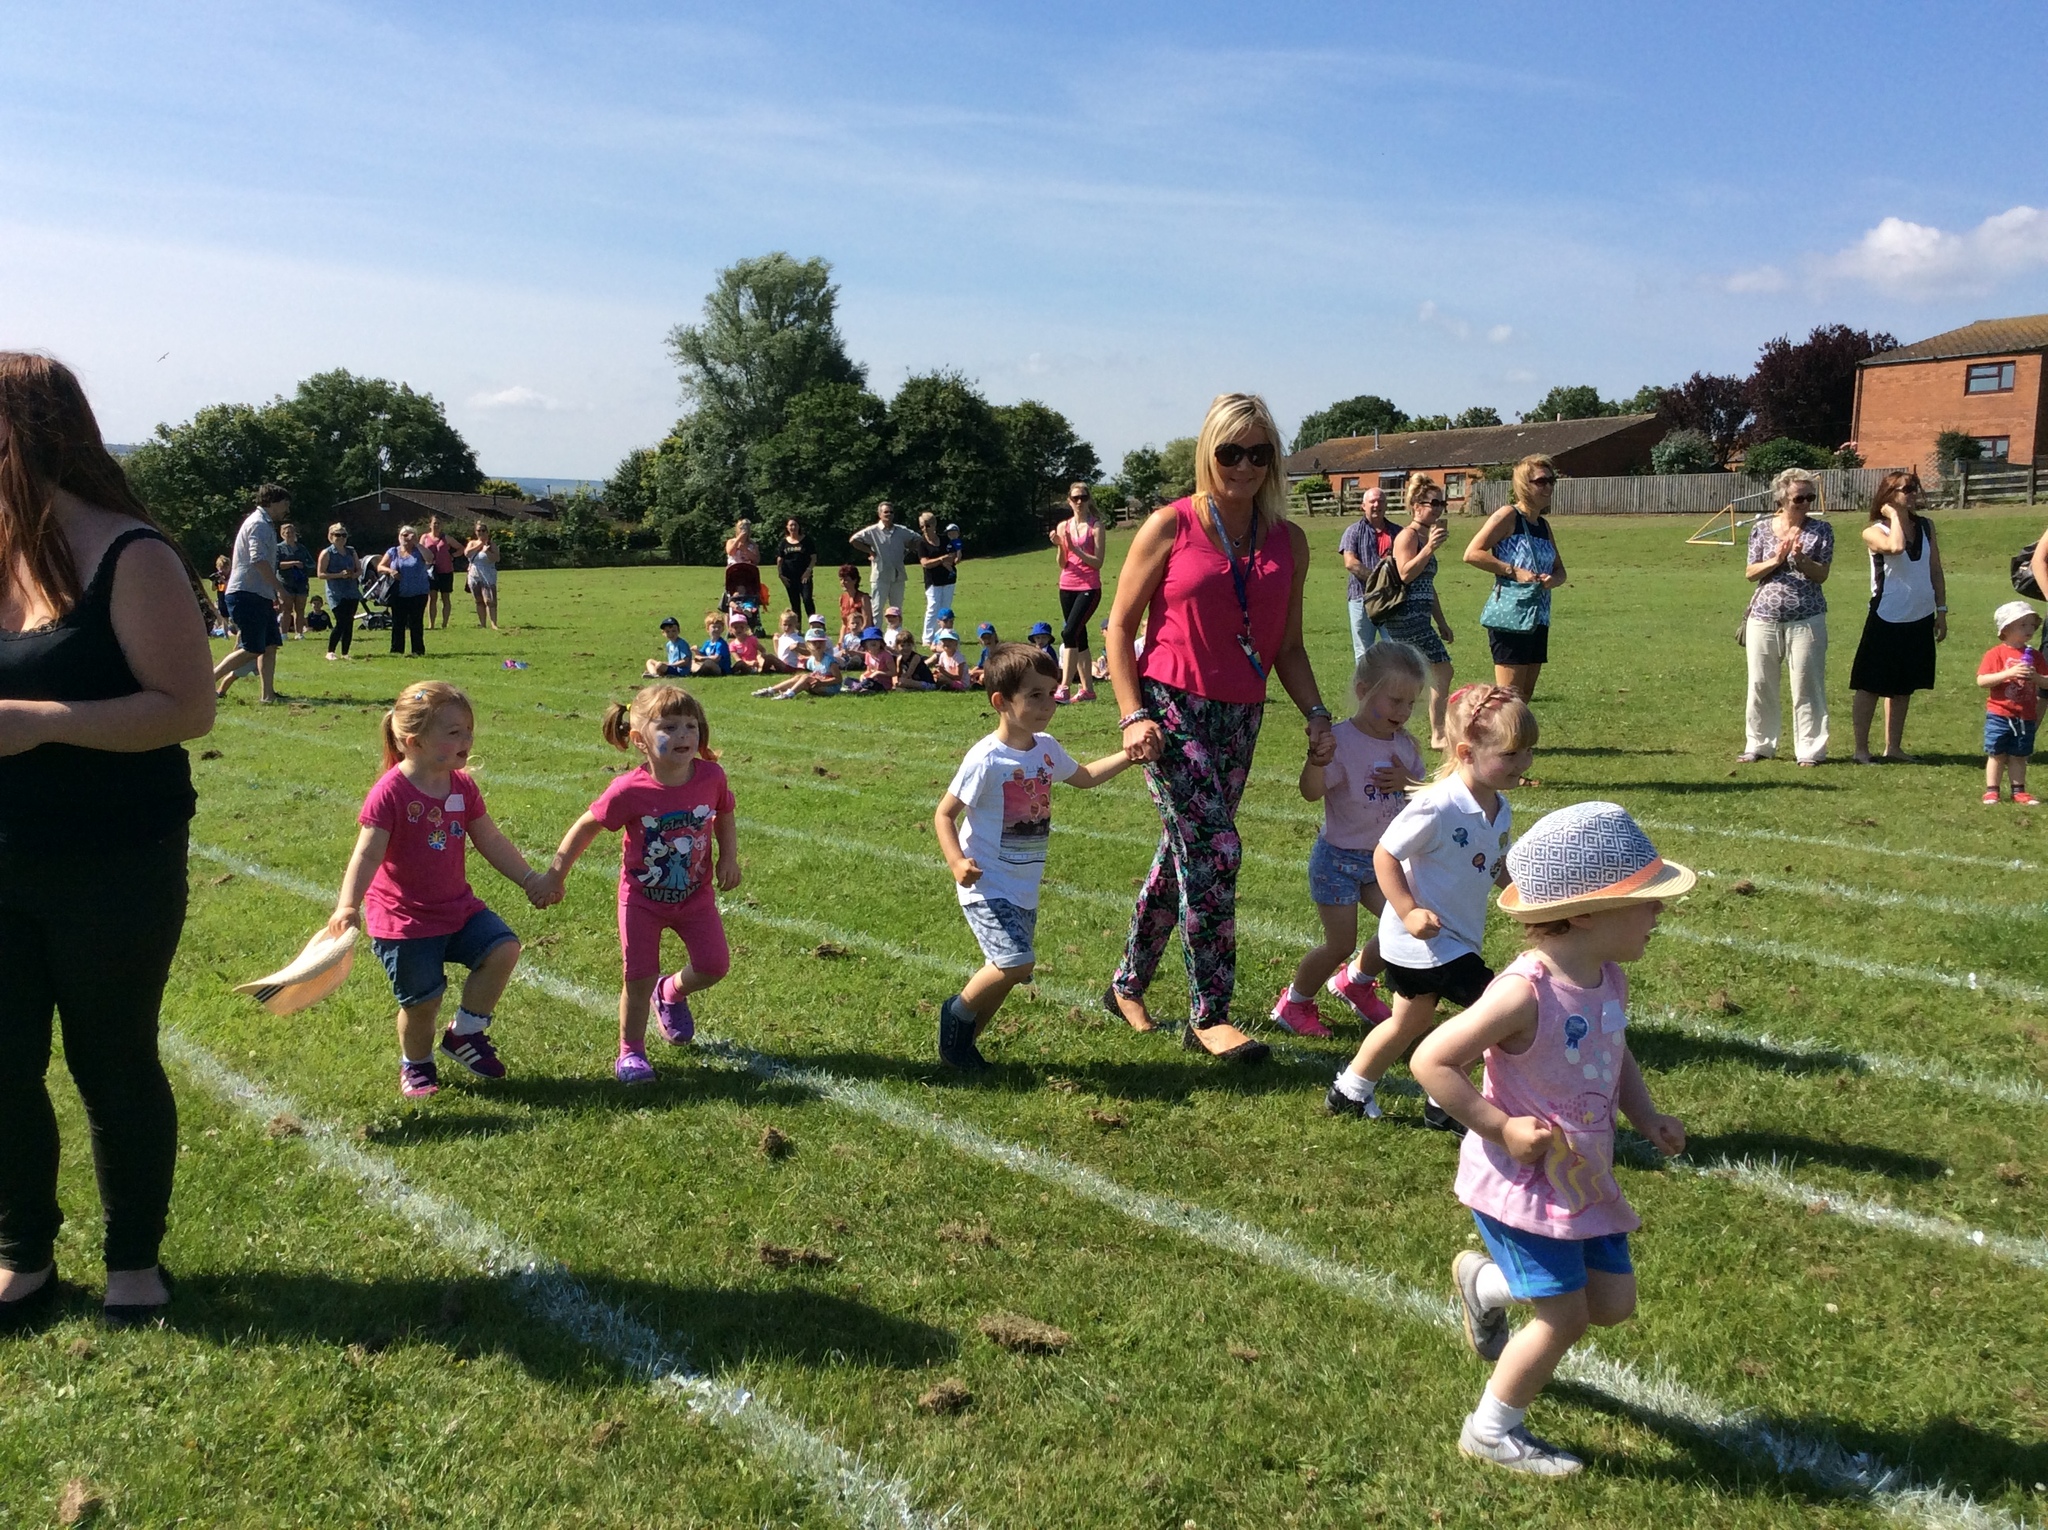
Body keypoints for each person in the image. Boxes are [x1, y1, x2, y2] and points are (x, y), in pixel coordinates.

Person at [0, 351, 214, 1331]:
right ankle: (23, 1256)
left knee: (111, 1058)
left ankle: (133, 1260)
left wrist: (41, 722)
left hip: (114, 860)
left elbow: (186, 708)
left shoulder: (133, 553)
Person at [1413, 801, 1692, 1478]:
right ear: (1587, 912)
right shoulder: (1522, 993)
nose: (1659, 911)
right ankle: (1491, 1431)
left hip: (1582, 1176)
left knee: (1612, 1305)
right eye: (1646, 900)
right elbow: (1431, 1061)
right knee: (1564, 1317)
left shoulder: (1608, 976)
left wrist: (1646, 1116)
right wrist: (1500, 1127)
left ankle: (1486, 1286)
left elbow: (1614, 1050)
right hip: (1523, 1185)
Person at [1103, 391, 1334, 1060]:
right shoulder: (1169, 525)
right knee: (1215, 849)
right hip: (1169, 708)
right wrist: (1132, 714)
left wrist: (1318, 713)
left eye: (1259, 453)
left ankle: (1127, 984)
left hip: (1241, 714)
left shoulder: (1289, 541)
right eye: (1231, 452)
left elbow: (1288, 646)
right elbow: (1118, 627)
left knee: (1185, 852)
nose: (1244, 466)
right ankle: (1211, 1016)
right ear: (1209, 452)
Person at [323, 682, 551, 1098]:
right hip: (405, 921)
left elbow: (490, 839)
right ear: (414, 742)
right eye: (454, 732)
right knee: (422, 1003)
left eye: (469, 730)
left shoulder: (462, 786)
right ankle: (417, 1064)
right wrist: (347, 905)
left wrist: (529, 878)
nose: (467, 740)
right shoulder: (389, 793)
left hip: (457, 908)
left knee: (503, 948)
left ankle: (466, 1032)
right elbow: (366, 855)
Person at [1326, 684, 1536, 1125]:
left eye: (1528, 751)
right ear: (1466, 753)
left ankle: (1350, 1090)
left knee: (1408, 1022)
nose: (1524, 763)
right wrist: (1408, 911)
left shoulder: (1499, 807)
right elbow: (1385, 854)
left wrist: (1529, 897)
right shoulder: (1437, 806)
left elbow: (1494, 863)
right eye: (1511, 754)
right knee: (1498, 1013)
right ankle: (1446, 1101)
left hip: (1455, 936)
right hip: (1423, 941)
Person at [934, 643, 1135, 1068]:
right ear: (1001, 702)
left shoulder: (1046, 749)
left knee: (1008, 972)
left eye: (1052, 693)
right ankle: (956, 1012)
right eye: (1035, 696)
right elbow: (944, 814)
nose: (1048, 705)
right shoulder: (986, 758)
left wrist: (1129, 756)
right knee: (1016, 961)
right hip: (987, 883)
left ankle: (964, 1048)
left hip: (1023, 886)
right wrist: (956, 862)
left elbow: (1084, 777)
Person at [533, 686, 738, 1084]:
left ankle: (671, 993)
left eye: (690, 726)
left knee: (714, 965)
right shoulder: (629, 790)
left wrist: (728, 857)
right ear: (640, 739)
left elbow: (724, 812)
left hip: (696, 897)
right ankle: (631, 1052)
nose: (683, 735)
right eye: (669, 727)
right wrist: (555, 874)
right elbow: (587, 826)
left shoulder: (711, 776)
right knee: (638, 976)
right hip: (642, 900)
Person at [1269, 642, 1426, 1040]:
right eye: (1395, 701)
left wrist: (1409, 782)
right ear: (1363, 691)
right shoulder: (1340, 741)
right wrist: (1317, 762)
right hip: (1337, 861)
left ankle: (1355, 983)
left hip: (1383, 861)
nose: (1403, 711)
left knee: (1402, 925)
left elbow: (1425, 798)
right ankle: (1294, 1004)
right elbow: (1310, 792)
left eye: (1410, 703)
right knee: (1340, 943)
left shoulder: (1405, 745)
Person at [1738, 467, 1834, 766]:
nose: (1805, 504)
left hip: (1807, 617)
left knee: (1807, 685)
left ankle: (1810, 750)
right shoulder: (1761, 529)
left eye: (1810, 498)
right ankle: (1759, 744)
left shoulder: (1821, 530)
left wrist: (1802, 560)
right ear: (1781, 499)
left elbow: (1822, 574)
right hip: (1763, 617)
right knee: (1760, 683)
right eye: (1799, 498)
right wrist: (1777, 559)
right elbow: (1750, 572)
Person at [1849, 470, 1946, 764]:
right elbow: (1896, 547)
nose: (1913, 493)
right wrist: (1894, 515)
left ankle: (1893, 747)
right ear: (1889, 495)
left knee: (1904, 687)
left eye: (1914, 487)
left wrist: (1941, 610)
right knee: (1870, 685)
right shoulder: (1874, 531)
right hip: (1886, 616)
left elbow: (1935, 569)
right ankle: (1861, 750)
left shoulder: (1926, 526)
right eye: (1906, 489)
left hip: (1920, 615)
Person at [1465, 455, 1565, 700]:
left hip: (1539, 616)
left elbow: (1560, 570)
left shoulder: (1542, 525)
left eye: (1551, 481)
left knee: (1525, 696)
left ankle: (1515, 729)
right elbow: (1472, 553)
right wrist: (1514, 571)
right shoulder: (1509, 516)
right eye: (1541, 481)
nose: (1548, 487)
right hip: (1511, 616)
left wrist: (1552, 580)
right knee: (1508, 698)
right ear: (1523, 484)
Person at [1383, 478, 1459, 749]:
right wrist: (1429, 549)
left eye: (1442, 503)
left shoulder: (1424, 537)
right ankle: (1437, 734)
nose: (1438, 509)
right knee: (1442, 669)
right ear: (1416, 506)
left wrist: (1441, 622)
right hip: (1406, 616)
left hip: (1421, 616)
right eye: (1433, 503)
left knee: (1411, 675)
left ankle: (1389, 722)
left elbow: (1427, 585)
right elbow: (1405, 573)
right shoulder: (1408, 536)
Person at [211, 483, 288, 702]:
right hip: (246, 593)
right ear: (272, 502)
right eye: (284, 504)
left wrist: (271, 592)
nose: (286, 509)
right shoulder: (258, 524)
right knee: (253, 647)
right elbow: (258, 560)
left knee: (270, 645)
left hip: (259, 594)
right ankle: (206, 682)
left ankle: (268, 696)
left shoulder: (265, 523)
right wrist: (279, 588)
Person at [1977, 601, 2048, 805]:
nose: (2029, 629)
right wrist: (2008, 673)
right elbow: (1982, 680)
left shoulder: (2035, 656)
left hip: (2025, 715)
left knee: (2019, 755)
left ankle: (2019, 791)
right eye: (2023, 625)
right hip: (1999, 714)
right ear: (2006, 629)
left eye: (2032, 625)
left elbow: (2046, 682)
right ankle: (1992, 791)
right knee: (1997, 753)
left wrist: (2036, 678)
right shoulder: (1995, 654)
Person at [1051, 481, 1105, 703]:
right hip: (1067, 585)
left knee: (1068, 632)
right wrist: (1060, 546)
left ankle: (1064, 687)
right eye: (1075, 498)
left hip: (1089, 587)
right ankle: (1088, 690)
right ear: (1069, 501)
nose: (1080, 502)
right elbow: (1062, 563)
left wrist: (1076, 549)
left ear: (1089, 499)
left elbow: (1098, 562)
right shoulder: (1063, 527)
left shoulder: (1096, 527)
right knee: (1078, 636)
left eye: (1083, 497)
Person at [1338, 485, 1397, 661]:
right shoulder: (1353, 531)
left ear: (1386, 505)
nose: (1376, 505)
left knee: (1395, 648)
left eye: (1381, 501)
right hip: (1361, 598)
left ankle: (1393, 679)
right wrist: (1379, 582)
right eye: (1372, 501)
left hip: (1391, 600)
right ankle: (1365, 680)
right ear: (1363, 506)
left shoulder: (1398, 532)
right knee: (1363, 652)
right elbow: (1350, 563)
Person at [849, 501, 918, 621]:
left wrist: (907, 550)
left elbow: (918, 539)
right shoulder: (872, 531)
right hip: (880, 576)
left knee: (896, 610)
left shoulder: (901, 531)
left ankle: (896, 632)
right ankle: (876, 632)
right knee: (877, 609)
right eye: (886, 512)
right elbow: (854, 540)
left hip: (898, 576)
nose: (889, 514)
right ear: (879, 514)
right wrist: (870, 551)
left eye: (891, 512)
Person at [377, 525, 432, 657]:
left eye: (409, 535)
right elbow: (380, 566)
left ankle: (417, 650)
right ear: (399, 537)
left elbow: (430, 558)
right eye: (403, 535)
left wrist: (416, 543)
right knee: (398, 622)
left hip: (418, 593)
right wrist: (390, 571)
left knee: (416, 623)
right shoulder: (393, 551)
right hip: (399, 593)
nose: (406, 538)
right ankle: (397, 650)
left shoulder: (419, 551)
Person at [317, 522, 363, 661]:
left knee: (349, 622)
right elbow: (320, 574)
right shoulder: (327, 553)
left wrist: (353, 575)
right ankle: (330, 651)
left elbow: (359, 570)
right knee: (341, 622)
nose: (341, 538)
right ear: (331, 536)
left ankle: (345, 652)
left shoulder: (351, 551)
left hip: (351, 591)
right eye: (338, 535)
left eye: (344, 535)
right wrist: (339, 575)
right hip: (336, 593)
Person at [754, 628, 843, 699]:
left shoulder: (829, 661)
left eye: (821, 642)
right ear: (808, 645)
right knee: (799, 677)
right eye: (814, 642)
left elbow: (838, 679)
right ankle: (771, 690)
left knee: (806, 677)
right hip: (818, 686)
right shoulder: (811, 660)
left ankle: (788, 694)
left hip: (831, 688)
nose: (818, 644)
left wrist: (822, 682)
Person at [916, 510, 958, 646]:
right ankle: (927, 639)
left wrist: (942, 561)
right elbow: (925, 563)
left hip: (948, 579)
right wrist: (941, 559)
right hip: (933, 581)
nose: (925, 529)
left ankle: (943, 636)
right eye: (922, 526)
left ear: (934, 525)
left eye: (927, 525)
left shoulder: (945, 540)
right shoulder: (921, 543)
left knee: (945, 608)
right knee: (933, 608)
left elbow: (953, 557)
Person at [419, 515, 456, 630]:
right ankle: (432, 624)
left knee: (445, 597)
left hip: (446, 571)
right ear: (430, 525)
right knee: (432, 597)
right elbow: (419, 551)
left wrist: (452, 556)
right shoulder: (425, 537)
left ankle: (444, 624)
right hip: (430, 571)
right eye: (434, 523)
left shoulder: (447, 538)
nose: (436, 525)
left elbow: (461, 548)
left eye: (438, 523)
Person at [776, 517, 816, 622]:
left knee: (807, 600)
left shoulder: (806, 540)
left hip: (804, 576)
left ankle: (814, 624)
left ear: (799, 526)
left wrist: (808, 571)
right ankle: (796, 627)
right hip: (789, 578)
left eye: (795, 525)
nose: (793, 527)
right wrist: (780, 575)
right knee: (795, 603)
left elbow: (813, 557)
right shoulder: (784, 542)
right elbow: (780, 559)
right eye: (791, 525)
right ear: (787, 527)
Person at [276, 521, 311, 637]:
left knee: (300, 609)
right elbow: (276, 564)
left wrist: (305, 566)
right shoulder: (279, 548)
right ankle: (284, 634)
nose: (290, 534)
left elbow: (311, 563)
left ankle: (299, 633)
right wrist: (293, 563)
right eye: (287, 533)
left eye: (292, 532)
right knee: (286, 609)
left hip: (301, 582)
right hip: (285, 582)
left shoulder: (301, 548)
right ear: (282, 534)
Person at [464, 521, 500, 631]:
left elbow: (496, 558)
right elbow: (467, 553)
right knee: (478, 600)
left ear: (487, 532)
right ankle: (482, 624)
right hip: (474, 575)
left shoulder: (491, 545)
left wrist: (487, 551)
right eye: (478, 530)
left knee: (490, 600)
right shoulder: (472, 543)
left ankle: (494, 624)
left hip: (488, 574)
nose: (481, 533)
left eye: (483, 530)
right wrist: (479, 545)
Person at [844, 626, 896, 694]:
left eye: (876, 639)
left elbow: (893, 673)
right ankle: (860, 687)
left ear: (881, 642)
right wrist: (863, 675)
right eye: (870, 640)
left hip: (883, 683)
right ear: (865, 644)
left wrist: (878, 672)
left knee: (866, 682)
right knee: (847, 680)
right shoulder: (868, 654)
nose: (873, 641)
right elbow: (869, 670)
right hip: (870, 680)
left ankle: (859, 687)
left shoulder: (886, 655)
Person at [837, 564, 872, 646]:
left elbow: (867, 623)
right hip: (848, 638)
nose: (842, 582)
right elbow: (844, 624)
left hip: (862, 637)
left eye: (846, 580)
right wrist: (840, 642)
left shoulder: (863, 598)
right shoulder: (842, 598)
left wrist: (856, 638)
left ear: (854, 580)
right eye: (841, 579)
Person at [692, 612, 733, 677]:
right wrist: (696, 651)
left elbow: (716, 658)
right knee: (692, 662)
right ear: (708, 629)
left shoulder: (721, 643)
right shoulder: (707, 642)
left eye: (719, 627)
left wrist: (702, 658)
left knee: (708, 662)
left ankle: (699, 672)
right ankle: (699, 672)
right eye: (714, 627)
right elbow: (701, 655)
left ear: (722, 629)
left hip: (721, 669)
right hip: (709, 665)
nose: (716, 629)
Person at [971, 621, 999, 688]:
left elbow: (997, 669)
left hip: (997, 673)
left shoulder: (1000, 650)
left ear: (995, 636)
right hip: (987, 672)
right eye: (984, 638)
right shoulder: (985, 651)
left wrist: (978, 672)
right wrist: (971, 672)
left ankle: (979, 684)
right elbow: (980, 665)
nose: (987, 640)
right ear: (980, 640)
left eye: (989, 637)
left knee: (983, 677)